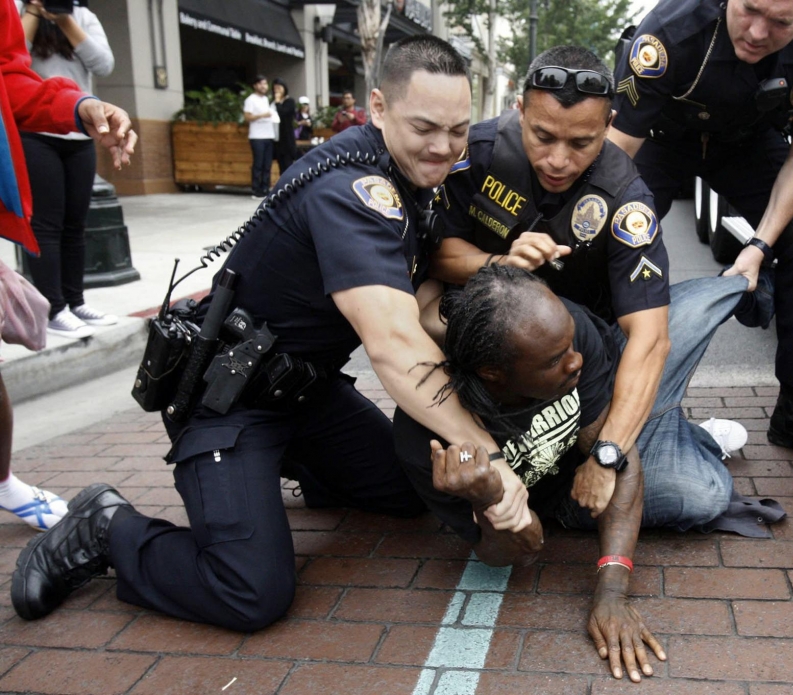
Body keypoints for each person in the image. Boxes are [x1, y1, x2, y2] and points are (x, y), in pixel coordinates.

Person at [11, 35, 534, 632]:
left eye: (458, 129)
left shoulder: (405, 175)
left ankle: (294, 469)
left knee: (412, 489)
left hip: (304, 394)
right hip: (229, 404)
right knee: (251, 591)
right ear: (379, 109)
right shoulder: (356, 191)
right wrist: (488, 455)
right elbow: (393, 342)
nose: (443, 148)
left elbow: (416, 305)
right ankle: (107, 528)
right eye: (425, 127)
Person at [395, 265, 783, 681]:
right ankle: (683, 435)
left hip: (603, 436)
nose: (574, 359)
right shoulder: (429, 441)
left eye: (569, 344)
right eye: (554, 360)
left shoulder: (573, 331)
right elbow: (521, 551)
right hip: (568, 501)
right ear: (494, 373)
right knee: (703, 496)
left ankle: (661, 419)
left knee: (694, 309)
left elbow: (618, 456)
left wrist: (612, 589)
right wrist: (486, 499)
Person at [430, 46, 738, 520]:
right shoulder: (478, 153)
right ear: (519, 110)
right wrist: (501, 262)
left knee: (693, 498)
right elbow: (439, 257)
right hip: (508, 364)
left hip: (592, 360)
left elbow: (650, 338)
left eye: (581, 143)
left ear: (609, 124)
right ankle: (669, 428)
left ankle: (660, 428)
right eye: (543, 136)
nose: (558, 160)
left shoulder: (627, 196)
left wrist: (608, 453)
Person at [606, 0, 793, 471]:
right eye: (750, 10)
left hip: (749, 143)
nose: (759, 32)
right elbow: (618, 146)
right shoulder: (670, 31)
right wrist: (616, 223)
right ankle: (592, 391)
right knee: (611, 236)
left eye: (781, 22)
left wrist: (759, 246)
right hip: (662, 138)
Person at [0, 0, 136, 528]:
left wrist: (78, 106)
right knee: (52, 231)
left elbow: (11, 74)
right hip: (36, 145)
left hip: (62, 132)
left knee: (71, 227)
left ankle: (4, 481)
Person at [17, 0, 117, 339]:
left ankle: (75, 301)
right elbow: (11, 58)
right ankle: (53, 307)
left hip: (79, 129)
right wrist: (32, 12)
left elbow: (103, 64)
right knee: (46, 224)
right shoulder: (19, 9)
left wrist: (64, 20)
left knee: (76, 224)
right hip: (35, 133)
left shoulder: (82, 17)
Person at [243, 74, 276, 199]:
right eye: (261, 84)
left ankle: (265, 188)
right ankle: (256, 190)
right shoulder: (250, 100)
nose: (264, 86)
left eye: (265, 84)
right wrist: (262, 115)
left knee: (267, 164)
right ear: (255, 85)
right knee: (258, 163)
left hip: (269, 135)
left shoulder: (266, 99)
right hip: (257, 136)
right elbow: (247, 117)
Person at [271, 77, 297, 175]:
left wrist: (278, 102)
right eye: (275, 88)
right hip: (276, 138)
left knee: (287, 166)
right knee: (280, 165)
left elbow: (283, 113)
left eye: (279, 88)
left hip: (286, 139)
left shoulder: (289, 101)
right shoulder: (272, 103)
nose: (277, 90)